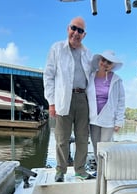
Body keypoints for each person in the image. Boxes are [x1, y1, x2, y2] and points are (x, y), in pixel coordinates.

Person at [44, 16, 94, 182]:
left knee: (82, 138)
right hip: (62, 99)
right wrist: (51, 102)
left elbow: (93, 78)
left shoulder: (88, 54)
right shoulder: (57, 48)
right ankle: (60, 170)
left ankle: (80, 169)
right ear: (68, 29)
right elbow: (49, 76)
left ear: (84, 35)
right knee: (62, 138)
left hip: (82, 99)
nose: (76, 33)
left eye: (80, 30)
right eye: (74, 28)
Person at [87, 50, 125, 170]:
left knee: (105, 146)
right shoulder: (90, 76)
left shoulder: (117, 80)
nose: (105, 64)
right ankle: (99, 170)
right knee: (95, 145)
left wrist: (119, 121)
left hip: (108, 119)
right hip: (93, 118)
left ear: (112, 65)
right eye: (103, 60)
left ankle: (106, 170)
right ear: (99, 61)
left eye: (109, 62)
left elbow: (121, 101)